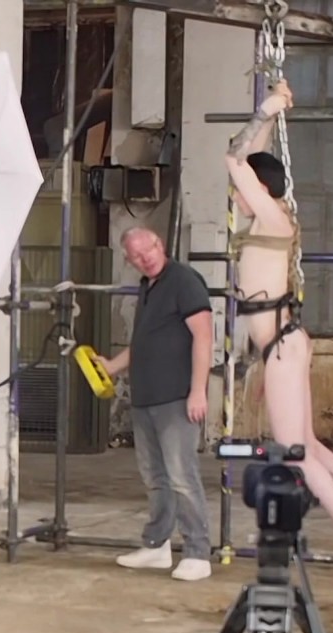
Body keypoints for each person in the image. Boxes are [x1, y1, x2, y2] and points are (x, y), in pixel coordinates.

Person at [223, 80, 333, 582]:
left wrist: (267, 107)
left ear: (259, 189)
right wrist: (270, 117)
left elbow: (235, 158)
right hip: (284, 343)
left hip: (282, 346)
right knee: (309, 445)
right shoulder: (273, 217)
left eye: (243, 191)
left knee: (294, 452)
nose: (236, 196)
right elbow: (249, 159)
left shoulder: (272, 218)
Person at [97, 227, 215, 582]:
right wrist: (112, 367)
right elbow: (144, 342)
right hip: (146, 397)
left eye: (147, 249)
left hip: (176, 397)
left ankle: (197, 552)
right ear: (129, 260)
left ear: (159, 245)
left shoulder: (183, 280)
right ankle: (156, 545)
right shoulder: (148, 288)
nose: (144, 258)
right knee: (156, 477)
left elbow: (204, 336)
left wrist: (198, 391)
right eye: (136, 255)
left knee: (182, 476)